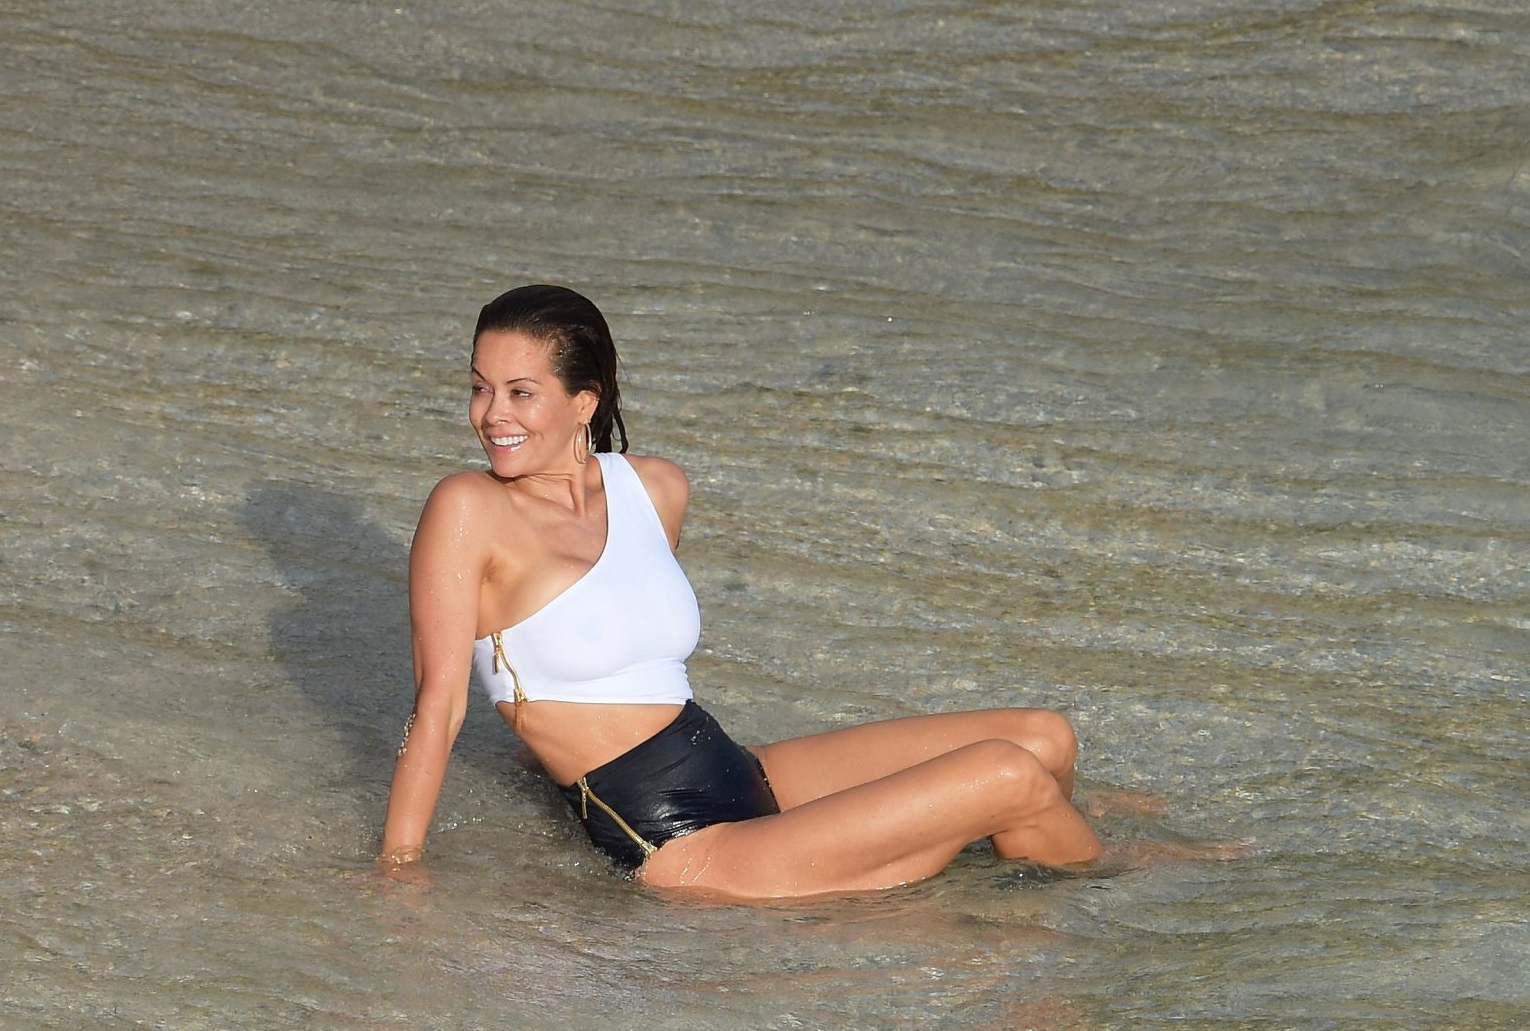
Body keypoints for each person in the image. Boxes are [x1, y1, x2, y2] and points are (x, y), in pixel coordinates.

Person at [380, 284, 1102, 899]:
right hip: (686, 845)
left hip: (739, 768)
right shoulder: (468, 508)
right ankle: (1102, 907)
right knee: (1007, 775)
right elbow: (438, 705)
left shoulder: (653, 488)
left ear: (583, 403)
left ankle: (1031, 899)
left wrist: (537, 758)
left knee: (1043, 737)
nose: (492, 414)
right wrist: (398, 868)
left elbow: (612, 642)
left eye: (520, 393)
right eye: (480, 388)